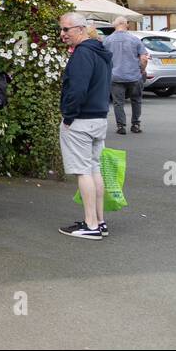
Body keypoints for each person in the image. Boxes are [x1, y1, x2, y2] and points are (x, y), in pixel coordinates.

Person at [58, 12, 113, 240]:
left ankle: (90, 225)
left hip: (81, 120)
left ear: (80, 29)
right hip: (99, 117)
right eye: (61, 29)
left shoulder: (82, 54)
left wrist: (68, 116)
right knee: (94, 169)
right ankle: (99, 222)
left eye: (66, 29)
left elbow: (77, 89)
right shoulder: (100, 52)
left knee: (84, 172)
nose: (62, 34)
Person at [103, 16, 149, 135]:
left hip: (115, 76)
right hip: (133, 75)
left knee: (118, 102)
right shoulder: (135, 39)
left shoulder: (107, 40)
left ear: (115, 25)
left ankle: (121, 126)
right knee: (136, 100)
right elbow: (144, 58)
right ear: (126, 24)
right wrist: (142, 70)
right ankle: (135, 124)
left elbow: (103, 58)